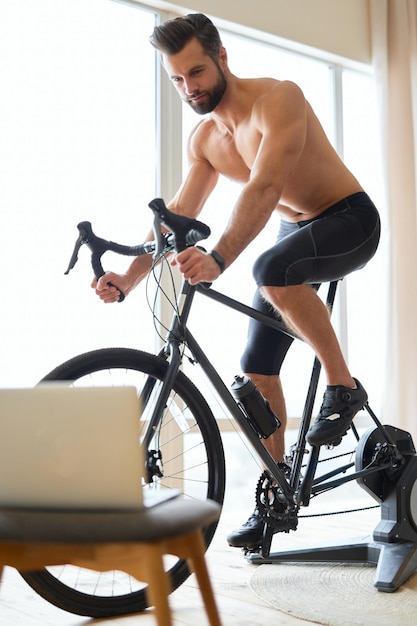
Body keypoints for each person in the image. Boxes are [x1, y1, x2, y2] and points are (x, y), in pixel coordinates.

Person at [92, 13, 381, 549]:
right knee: (256, 366)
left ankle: (343, 384)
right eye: (177, 80)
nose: (189, 88)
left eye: (196, 72)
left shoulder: (279, 101)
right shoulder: (207, 141)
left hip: (349, 219)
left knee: (268, 269)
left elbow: (266, 186)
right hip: (295, 228)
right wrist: (131, 277)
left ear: (222, 57)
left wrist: (220, 256)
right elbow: (178, 214)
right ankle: (277, 495)